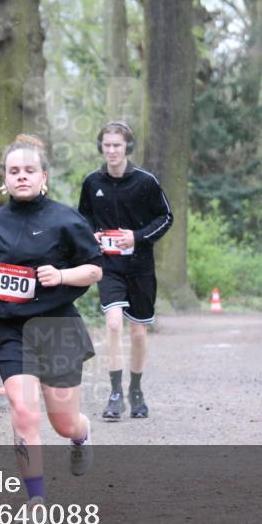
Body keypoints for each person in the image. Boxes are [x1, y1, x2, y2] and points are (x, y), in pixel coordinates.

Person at [0, 135, 103, 524]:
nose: (21, 177)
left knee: (63, 423)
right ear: (5, 179)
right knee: (23, 414)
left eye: (29, 171)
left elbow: (94, 269)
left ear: (44, 177)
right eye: (13, 171)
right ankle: (35, 500)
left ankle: (82, 434)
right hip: (11, 330)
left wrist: (60, 275)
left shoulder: (66, 219)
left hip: (57, 328)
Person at [78, 121, 173, 420]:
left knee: (138, 334)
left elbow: (166, 217)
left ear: (127, 148)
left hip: (140, 266)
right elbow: (82, 219)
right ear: (101, 147)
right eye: (106, 145)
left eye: (117, 145)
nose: (111, 151)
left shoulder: (146, 182)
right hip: (109, 265)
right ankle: (115, 393)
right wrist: (91, 234)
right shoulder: (92, 183)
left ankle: (136, 390)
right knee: (114, 324)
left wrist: (138, 236)